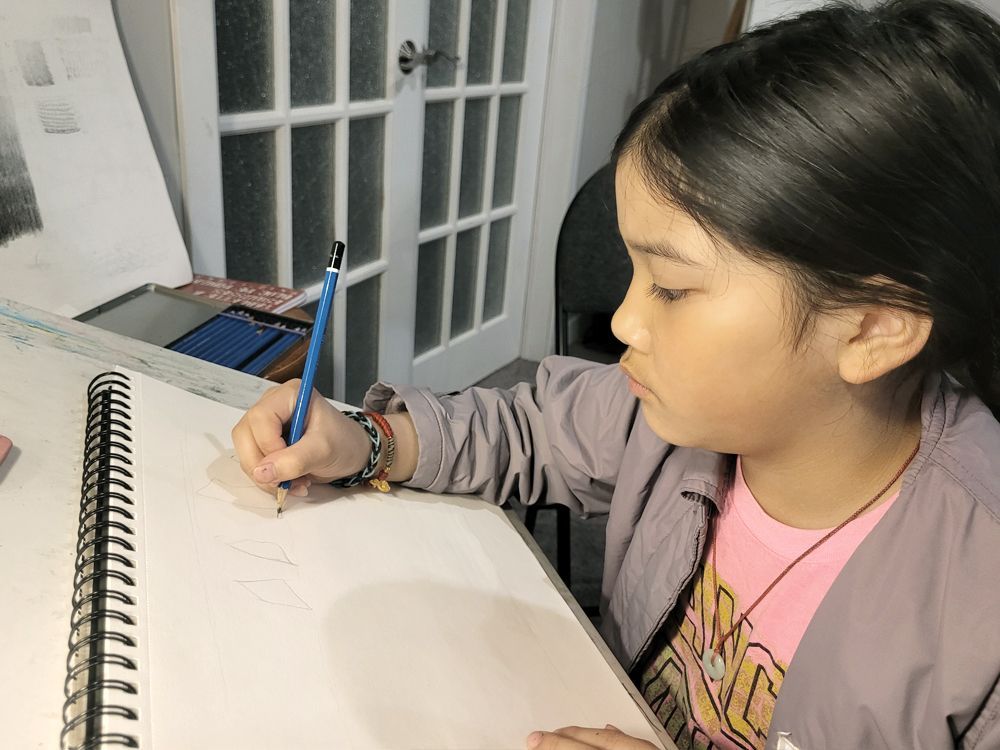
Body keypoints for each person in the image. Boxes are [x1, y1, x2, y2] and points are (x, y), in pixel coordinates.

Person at [232, 0, 1000, 747]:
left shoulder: (977, 603)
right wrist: (367, 440)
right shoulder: (661, 417)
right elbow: (528, 428)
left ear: (870, 328)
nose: (625, 323)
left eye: (673, 288)